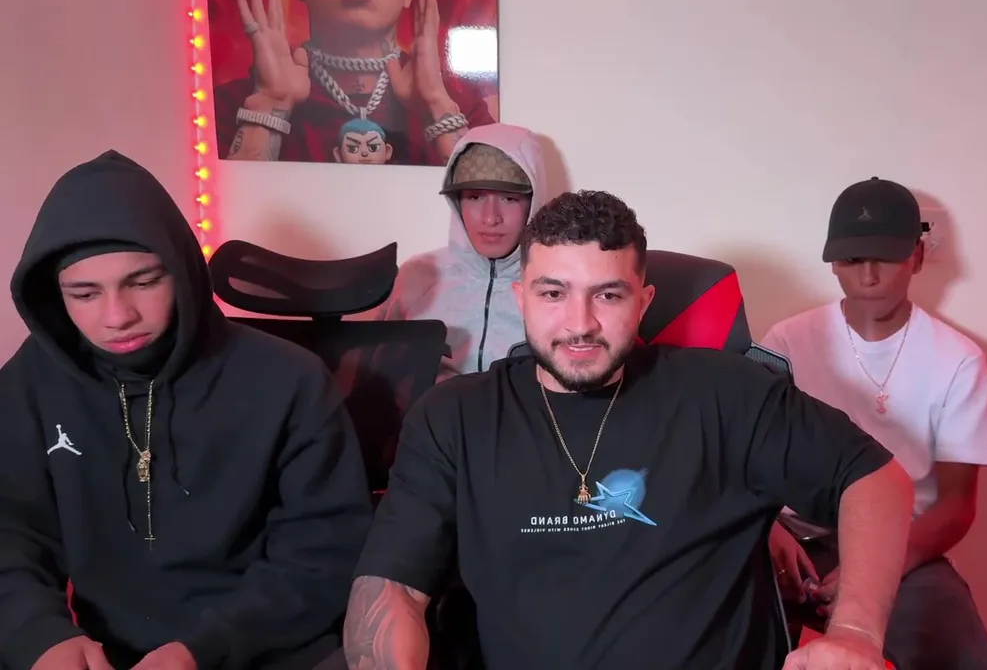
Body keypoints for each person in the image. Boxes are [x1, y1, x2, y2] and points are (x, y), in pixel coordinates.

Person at [342, 190, 915, 668]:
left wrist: (855, 634)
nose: (580, 324)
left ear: (643, 301)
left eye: (608, 295)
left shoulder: (727, 393)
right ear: (522, 299)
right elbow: (392, 589)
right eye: (553, 293)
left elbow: (873, 479)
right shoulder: (453, 418)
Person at [0, 151, 373, 670]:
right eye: (84, 293)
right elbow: (11, 530)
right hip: (101, 654)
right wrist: (39, 636)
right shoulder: (32, 380)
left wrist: (202, 651)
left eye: (143, 282)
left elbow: (324, 554)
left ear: (182, 271)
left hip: (262, 648)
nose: (117, 316)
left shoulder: (289, 379)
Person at [761, 177, 987, 668]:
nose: (868, 277)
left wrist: (875, 569)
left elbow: (956, 506)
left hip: (903, 540)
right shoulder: (786, 342)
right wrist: (767, 530)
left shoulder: (958, 359)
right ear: (832, 263)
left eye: (885, 258)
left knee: (954, 646)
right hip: (793, 536)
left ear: (917, 256)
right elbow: (747, 461)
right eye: (852, 260)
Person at [215, 0, 494, 164]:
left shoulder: (462, 108)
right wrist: (269, 106)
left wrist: (436, 107)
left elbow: (493, 210)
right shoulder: (229, 107)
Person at [376, 122, 554, 382]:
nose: (490, 218)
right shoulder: (419, 275)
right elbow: (377, 373)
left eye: (509, 198)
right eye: (475, 197)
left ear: (534, 202)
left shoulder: (559, 286)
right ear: (456, 201)